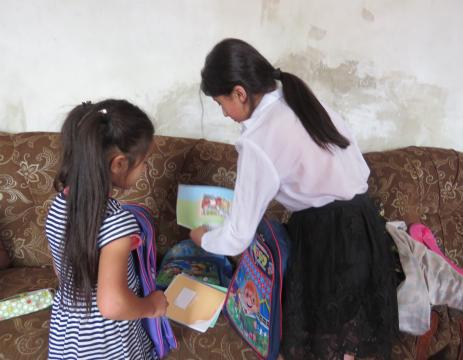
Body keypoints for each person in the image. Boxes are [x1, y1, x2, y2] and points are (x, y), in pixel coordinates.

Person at [190, 38, 400, 360]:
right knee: (350, 346)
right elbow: (360, 168)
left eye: (222, 104)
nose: (224, 114)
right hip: (366, 226)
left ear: (239, 93)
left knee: (326, 346)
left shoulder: (259, 140)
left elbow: (236, 238)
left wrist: (203, 237)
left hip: (326, 243)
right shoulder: (303, 100)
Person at [46, 99, 168, 359]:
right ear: (119, 164)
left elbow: (62, 270)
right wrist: (152, 306)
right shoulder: (118, 223)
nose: (145, 169)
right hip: (109, 341)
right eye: (144, 162)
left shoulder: (58, 205)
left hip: (67, 332)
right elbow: (112, 305)